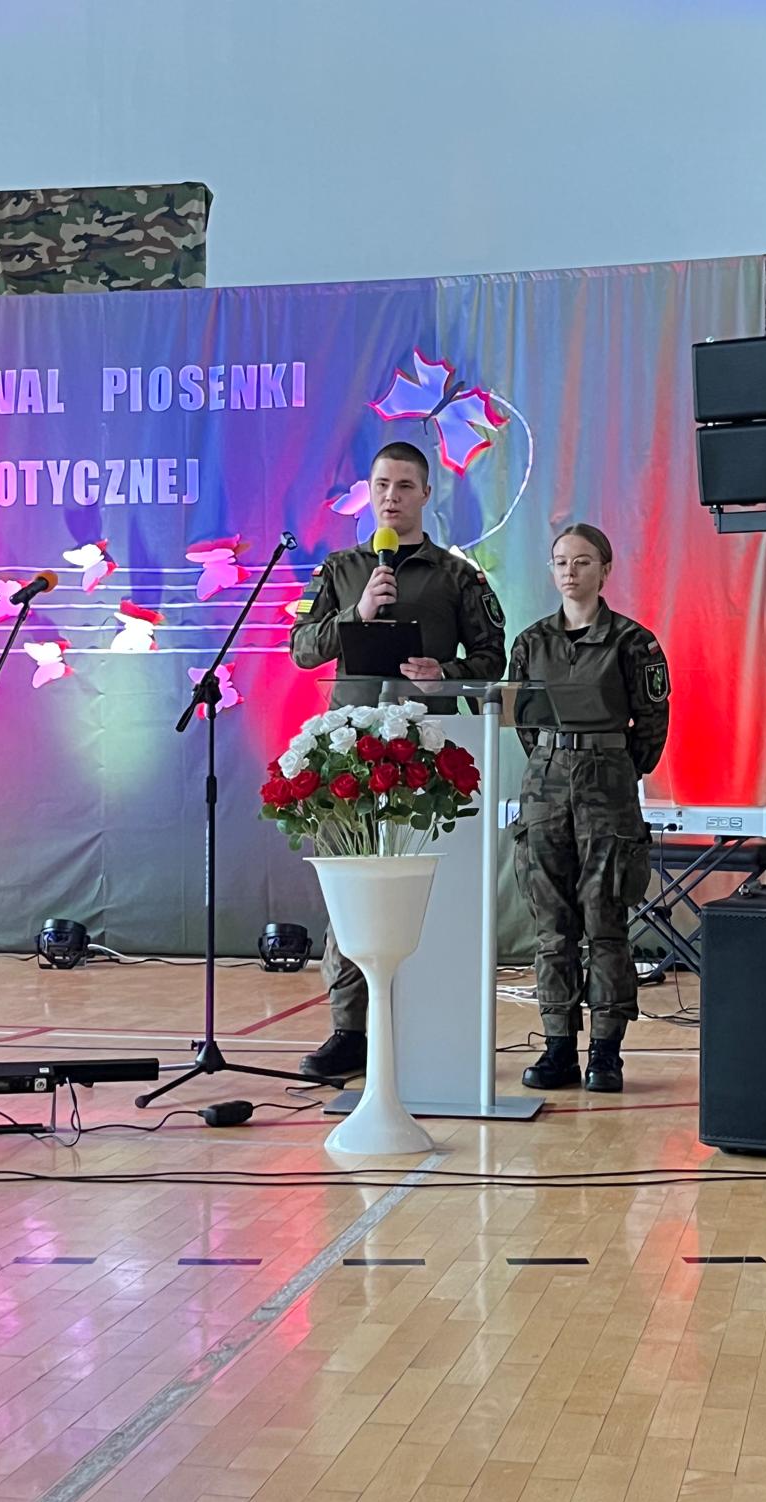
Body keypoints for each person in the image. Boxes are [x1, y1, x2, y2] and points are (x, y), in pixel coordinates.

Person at [288, 440, 507, 1080]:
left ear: (426, 494)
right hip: (349, 752)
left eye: (405, 486)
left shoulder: (458, 576)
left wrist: (446, 675)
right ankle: (350, 1029)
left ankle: (434, 1021)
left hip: (429, 752)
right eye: (383, 484)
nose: (392, 497)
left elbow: (493, 660)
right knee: (352, 889)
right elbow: (302, 648)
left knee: (428, 889)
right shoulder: (341, 569)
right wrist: (356, 615)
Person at [508, 523, 670, 1093]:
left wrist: (616, 767)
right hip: (545, 783)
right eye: (560, 561)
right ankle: (558, 1047)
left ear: (605, 569)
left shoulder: (634, 642)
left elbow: (651, 724)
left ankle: (606, 1052)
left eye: (581, 561)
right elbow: (524, 720)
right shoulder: (530, 643)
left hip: (609, 782)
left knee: (606, 922)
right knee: (551, 926)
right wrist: (554, 761)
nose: (570, 572)